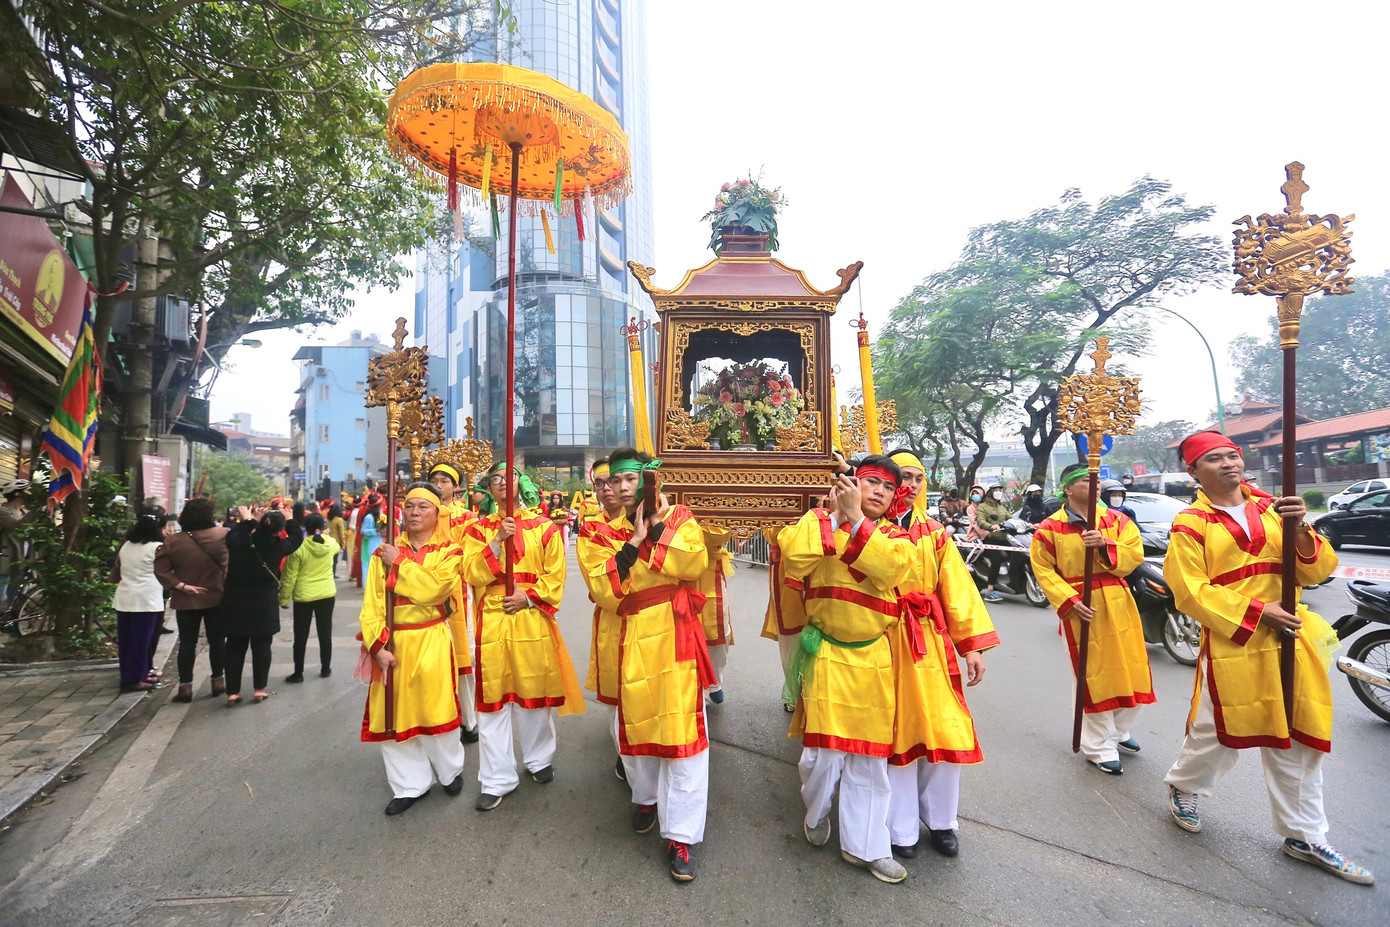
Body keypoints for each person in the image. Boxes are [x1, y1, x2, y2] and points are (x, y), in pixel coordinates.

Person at [1162, 431, 1373, 885]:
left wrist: (1300, 529)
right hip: (1234, 639)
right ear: (1193, 471)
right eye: (1213, 459)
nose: (1227, 464)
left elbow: (1320, 569)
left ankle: (1305, 835)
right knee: (1215, 730)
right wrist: (1258, 611)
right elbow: (1189, 591)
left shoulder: (1276, 507)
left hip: (1293, 635)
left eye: (1232, 456)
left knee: (1300, 732)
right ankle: (1185, 785)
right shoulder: (1190, 523)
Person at [780, 456, 915, 884]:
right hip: (826, 654)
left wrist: (856, 521)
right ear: (850, 484)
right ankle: (816, 813)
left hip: (873, 655)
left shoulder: (897, 539)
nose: (878, 491)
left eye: (887, 488)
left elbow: (890, 570)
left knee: (869, 759)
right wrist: (838, 516)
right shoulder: (816, 522)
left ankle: (867, 846)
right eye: (869, 482)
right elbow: (793, 560)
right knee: (822, 756)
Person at [586, 448, 709, 882]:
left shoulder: (679, 517)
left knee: (683, 733)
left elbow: (694, 563)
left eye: (630, 479)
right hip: (631, 631)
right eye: (614, 480)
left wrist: (654, 529)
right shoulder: (597, 531)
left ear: (648, 480)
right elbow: (604, 589)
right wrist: (634, 542)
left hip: (676, 634)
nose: (621, 487)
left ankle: (683, 835)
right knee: (634, 722)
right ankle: (645, 798)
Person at [884, 451, 999, 860]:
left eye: (917, 478)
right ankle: (899, 827)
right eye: (901, 477)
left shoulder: (934, 533)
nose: (910, 485)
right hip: (881, 640)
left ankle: (941, 821)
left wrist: (971, 646)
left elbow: (956, 589)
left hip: (929, 642)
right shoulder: (866, 528)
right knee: (898, 731)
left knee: (943, 727)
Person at [462, 463, 582, 812]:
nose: (502, 483)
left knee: (534, 695)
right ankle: (497, 778)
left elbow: (554, 576)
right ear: (490, 489)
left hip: (530, 617)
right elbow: (470, 572)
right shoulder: (477, 529)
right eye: (495, 479)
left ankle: (538, 759)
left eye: (508, 477)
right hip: (492, 618)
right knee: (493, 703)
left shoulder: (544, 527)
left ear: (520, 483)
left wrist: (528, 597)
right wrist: (497, 539)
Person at [1030, 463, 1152, 774]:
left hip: (1119, 600)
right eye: (1087, 480)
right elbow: (1043, 569)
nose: (1096, 485)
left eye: (1097, 480)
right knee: (1093, 676)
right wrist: (1069, 601)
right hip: (1081, 607)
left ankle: (1120, 730)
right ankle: (1098, 745)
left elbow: (1133, 554)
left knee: (1131, 668)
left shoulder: (1117, 521)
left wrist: (1105, 546)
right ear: (1068, 488)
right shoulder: (1050, 528)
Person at [360, 482, 468, 816]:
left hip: (432, 637)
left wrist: (400, 566)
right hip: (393, 643)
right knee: (392, 716)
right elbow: (372, 605)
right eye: (410, 506)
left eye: (424, 506)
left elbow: (435, 590)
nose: (415, 512)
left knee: (436, 709)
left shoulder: (450, 551)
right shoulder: (384, 552)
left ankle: (449, 771)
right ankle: (410, 784)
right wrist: (377, 646)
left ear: (438, 513)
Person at [575, 457, 631, 777]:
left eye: (614, 480)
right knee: (618, 696)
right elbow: (600, 584)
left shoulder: (648, 517)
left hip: (660, 621)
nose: (609, 488)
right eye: (600, 483)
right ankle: (625, 755)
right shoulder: (592, 530)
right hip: (616, 620)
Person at [222, 509, 302, 705]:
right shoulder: (278, 546)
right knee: (262, 646)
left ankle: (233, 692)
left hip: (235, 600)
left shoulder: (239, 542)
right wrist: (290, 519)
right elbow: (297, 537)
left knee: (234, 646)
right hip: (264, 603)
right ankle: (259, 689)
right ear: (278, 531)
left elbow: (232, 534)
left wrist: (249, 520)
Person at [154, 498, 229, 702]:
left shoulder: (174, 540)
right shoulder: (224, 535)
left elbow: (160, 569)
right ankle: (218, 681)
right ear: (210, 515)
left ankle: (185, 687)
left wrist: (181, 586)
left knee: (187, 643)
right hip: (217, 596)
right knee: (217, 641)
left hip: (186, 599)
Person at [427, 461, 479, 743]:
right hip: (422, 591)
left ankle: (467, 720)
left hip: (458, 590)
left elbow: (469, 554)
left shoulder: (467, 516)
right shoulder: (421, 510)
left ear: (455, 486)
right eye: (434, 478)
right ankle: (437, 715)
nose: (439, 483)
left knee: (463, 655)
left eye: (445, 480)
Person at [109, 512, 167, 693]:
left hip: (125, 598)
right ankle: (135, 679)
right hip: (146, 600)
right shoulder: (157, 547)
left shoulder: (126, 546)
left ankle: (133, 675)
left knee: (127, 641)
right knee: (142, 641)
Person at [279, 512, 338, 682]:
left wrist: (283, 599)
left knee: (300, 636)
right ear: (323, 527)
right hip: (326, 593)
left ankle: (298, 673)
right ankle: (325, 668)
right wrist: (325, 535)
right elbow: (335, 545)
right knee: (325, 633)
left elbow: (290, 576)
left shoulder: (299, 547)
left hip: (303, 596)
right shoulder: (330, 544)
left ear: (305, 527)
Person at [698, 526, 734, 705]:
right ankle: (700, 686)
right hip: (683, 573)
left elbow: (719, 534)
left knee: (720, 631)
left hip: (712, 572)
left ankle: (714, 681)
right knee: (689, 633)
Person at [968, 485, 1011, 603]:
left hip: (1003, 537)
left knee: (1015, 555)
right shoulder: (982, 507)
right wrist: (991, 527)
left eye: (1000, 490)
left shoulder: (1001, 507)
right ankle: (990, 590)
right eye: (996, 490)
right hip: (990, 538)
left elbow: (1010, 518)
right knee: (996, 561)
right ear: (990, 493)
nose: (998, 492)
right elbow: (980, 521)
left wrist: (1024, 524)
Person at [1, 479, 30, 611]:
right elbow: (16, 526)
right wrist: (38, 510)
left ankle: (10, 626)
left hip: (22, 562)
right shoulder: (3, 511)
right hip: (5, 562)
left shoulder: (25, 513)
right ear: (18, 494)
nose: (30, 495)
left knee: (14, 602)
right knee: (1, 601)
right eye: (27, 491)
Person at [358, 493, 385, 585]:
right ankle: (367, 585)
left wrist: (383, 530)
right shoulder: (368, 518)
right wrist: (376, 531)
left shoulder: (381, 516)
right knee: (369, 563)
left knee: (378, 562)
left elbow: (382, 530)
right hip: (370, 542)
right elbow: (363, 530)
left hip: (378, 541)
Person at [326, 504, 348, 577]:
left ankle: (329, 573)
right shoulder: (339, 520)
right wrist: (343, 543)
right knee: (335, 559)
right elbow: (341, 532)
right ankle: (333, 573)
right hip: (336, 542)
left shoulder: (328, 519)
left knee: (329, 558)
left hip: (328, 540)